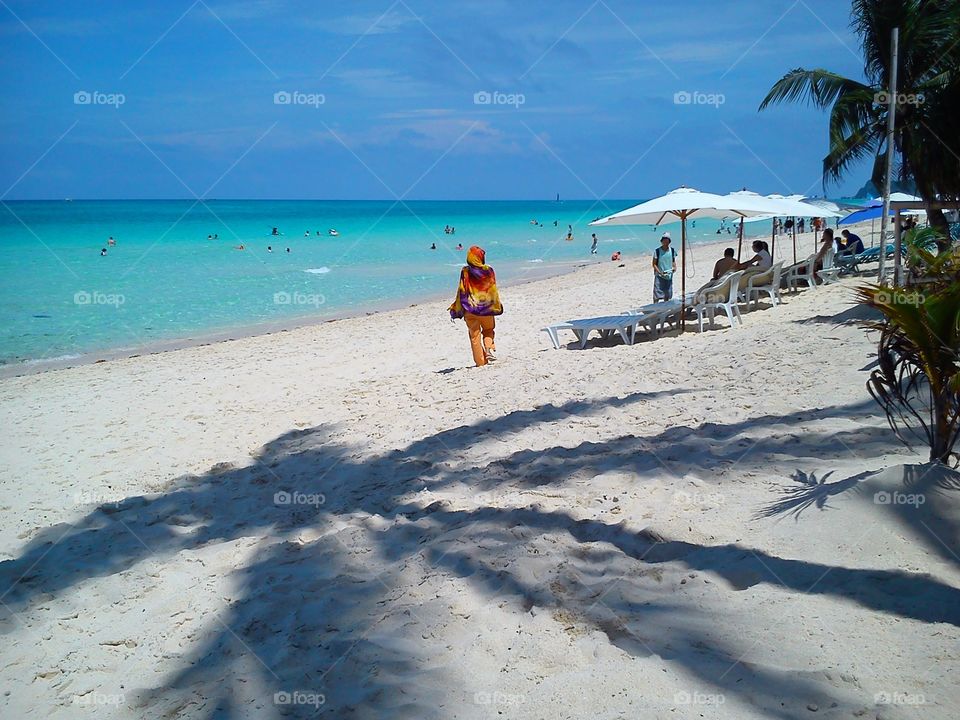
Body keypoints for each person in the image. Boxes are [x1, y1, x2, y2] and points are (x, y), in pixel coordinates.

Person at [448, 246, 502, 367]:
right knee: (488, 330)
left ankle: (480, 362)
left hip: (470, 309)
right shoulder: (489, 270)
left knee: (474, 336)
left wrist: (456, 307)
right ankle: (488, 348)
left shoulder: (465, 271)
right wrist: (496, 304)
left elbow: (462, 290)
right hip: (487, 309)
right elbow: (493, 289)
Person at [652, 233, 677, 302]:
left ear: (669, 241)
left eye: (667, 240)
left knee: (667, 294)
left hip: (669, 275)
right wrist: (660, 272)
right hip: (659, 275)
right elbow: (654, 264)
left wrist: (674, 267)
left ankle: (665, 306)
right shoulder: (657, 251)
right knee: (657, 294)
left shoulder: (672, 250)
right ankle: (655, 306)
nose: (665, 242)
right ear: (661, 241)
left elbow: (673, 261)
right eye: (664, 240)